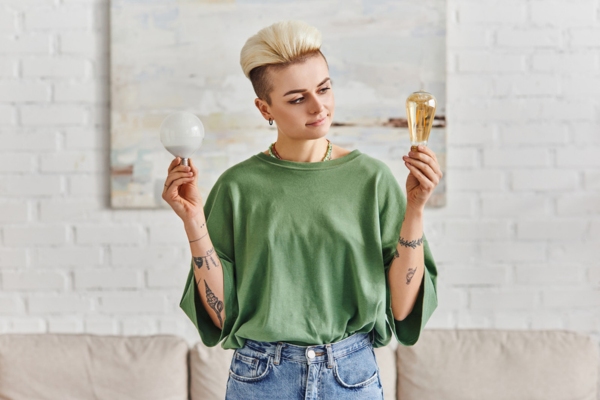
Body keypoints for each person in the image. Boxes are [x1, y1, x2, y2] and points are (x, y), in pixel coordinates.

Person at [164, 20, 441, 400]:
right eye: (297, 99)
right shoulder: (237, 187)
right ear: (265, 108)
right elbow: (221, 315)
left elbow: (402, 306)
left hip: (351, 376)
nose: (319, 106)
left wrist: (416, 208)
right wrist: (193, 220)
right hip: (260, 378)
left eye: (324, 88)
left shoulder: (372, 179)